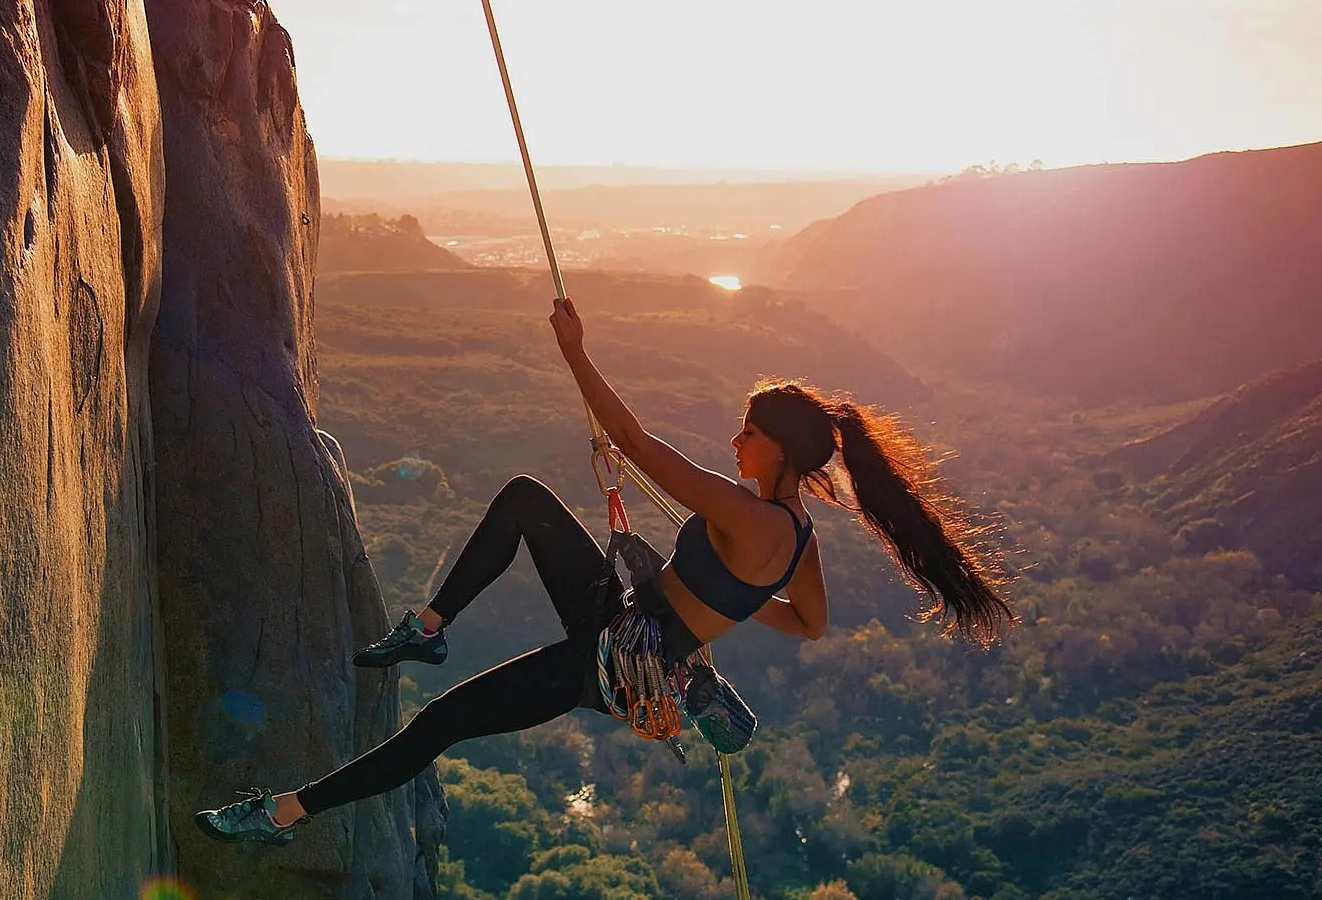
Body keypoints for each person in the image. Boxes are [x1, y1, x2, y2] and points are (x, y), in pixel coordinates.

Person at [194, 295, 1015, 845]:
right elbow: (812, 624)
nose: (736, 443)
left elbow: (640, 443)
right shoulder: (797, 540)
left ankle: (284, 811)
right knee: (524, 500)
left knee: (438, 725)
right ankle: (433, 629)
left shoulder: (750, 513)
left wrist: (575, 352)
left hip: (612, 657)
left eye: (747, 433)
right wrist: (729, 612)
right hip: (626, 618)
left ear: (780, 450)